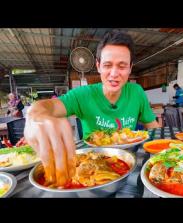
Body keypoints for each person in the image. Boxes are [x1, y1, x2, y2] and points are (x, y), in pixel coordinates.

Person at [24, 31, 160, 186]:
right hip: (89, 167)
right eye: (107, 65)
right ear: (98, 66)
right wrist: (35, 114)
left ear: (130, 68)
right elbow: (48, 106)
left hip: (131, 165)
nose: (114, 74)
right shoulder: (82, 95)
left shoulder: (137, 92)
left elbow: (153, 129)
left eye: (122, 66)